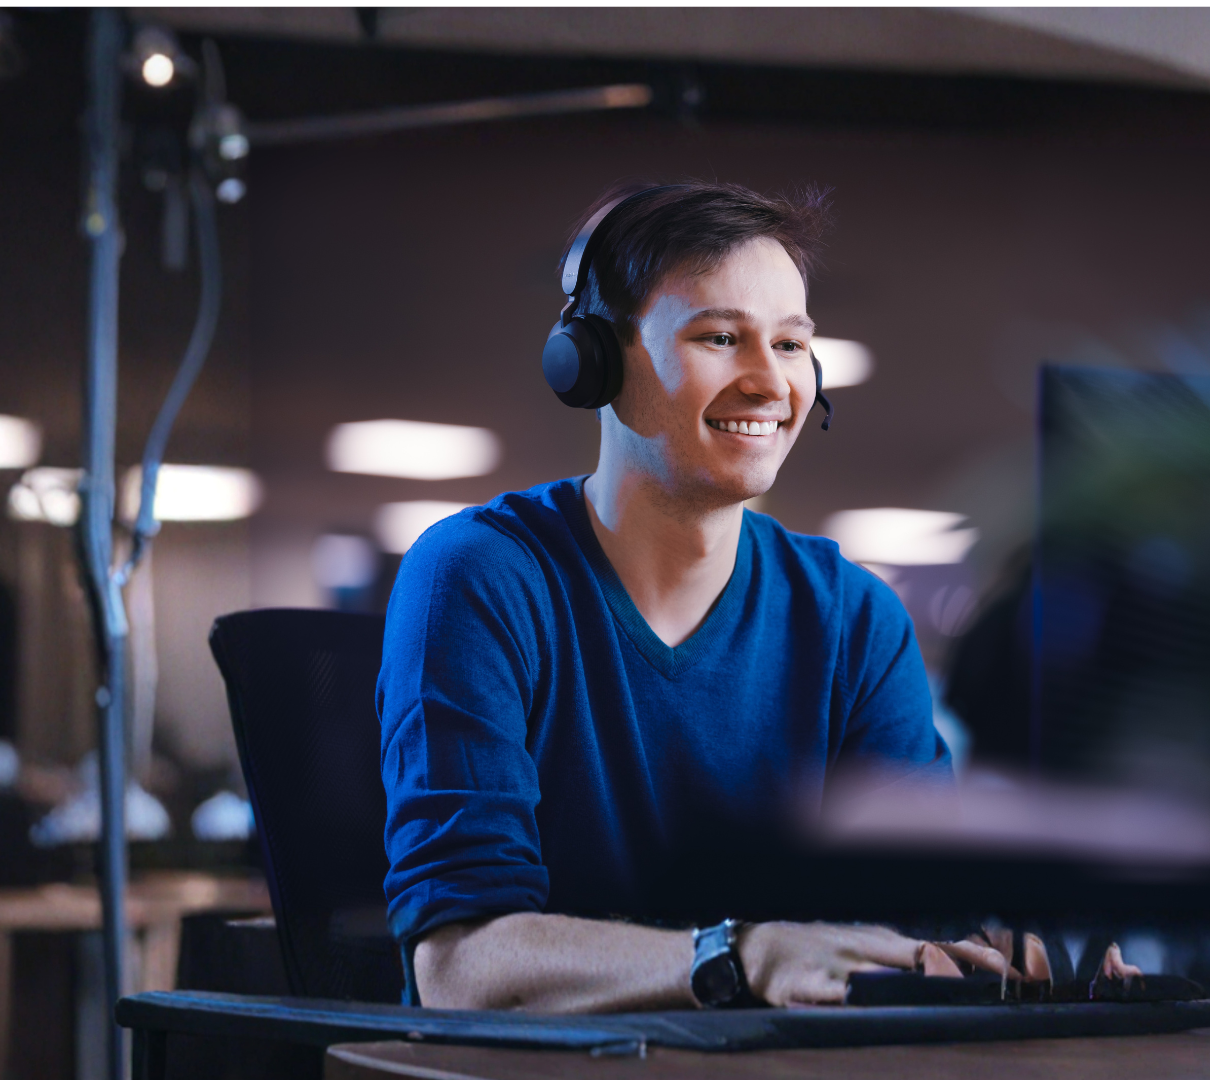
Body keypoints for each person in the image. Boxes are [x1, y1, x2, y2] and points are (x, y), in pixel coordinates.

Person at [379, 181, 1077, 1013]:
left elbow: (918, 918)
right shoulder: (481, 575)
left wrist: (1000, 956)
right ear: (593, 360)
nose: (770, 382)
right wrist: (733, 957)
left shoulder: (854, 619)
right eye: (720, 337)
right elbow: (457, 967)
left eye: (790, 344)